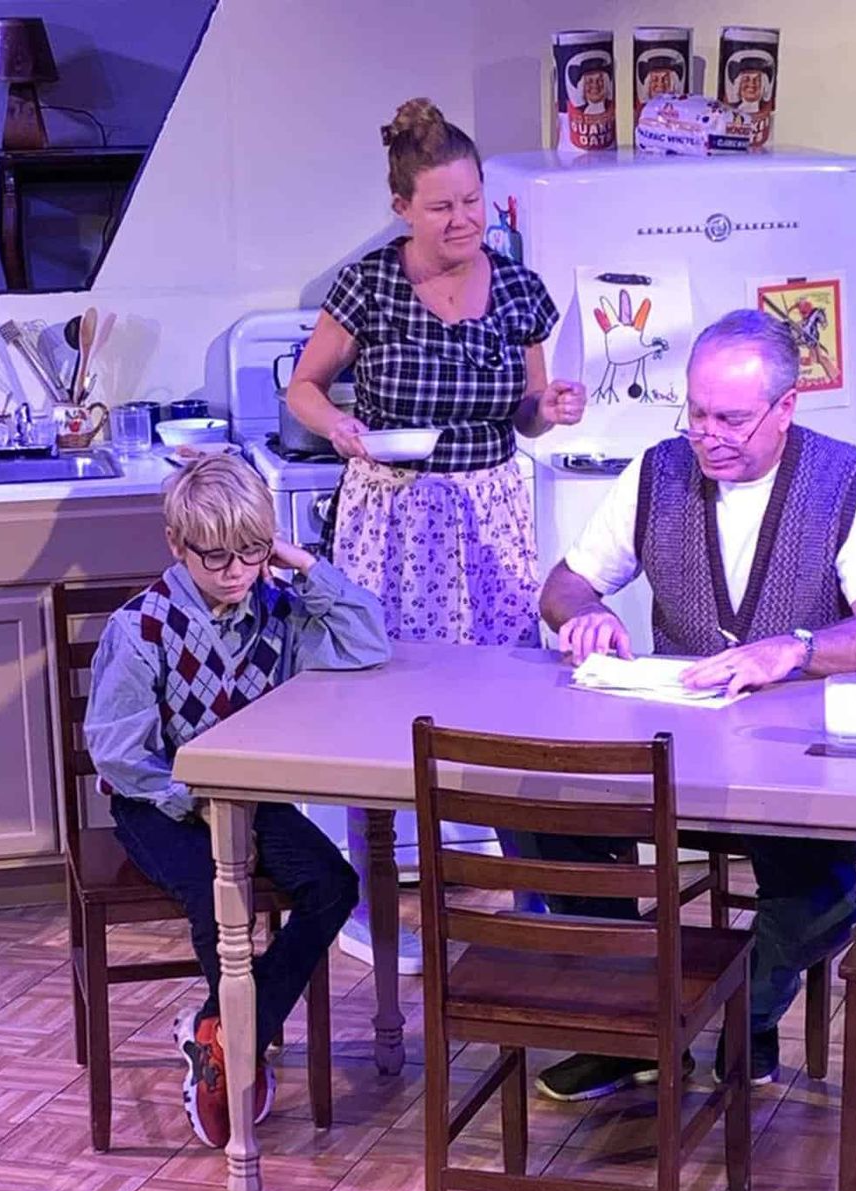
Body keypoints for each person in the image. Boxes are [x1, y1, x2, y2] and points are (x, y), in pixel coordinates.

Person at [532, 308, 856, 1102]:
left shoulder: (850, 481)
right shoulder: (657, 471)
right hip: (674, 756)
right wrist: (586, 617)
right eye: (698, 413)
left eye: (733, 418)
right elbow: (563, 588)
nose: (709, 435)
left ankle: (744, 1011)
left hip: (795, 763)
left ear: (786, 407)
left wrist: (797, 648)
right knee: (543, 815)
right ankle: (634, 1026)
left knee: (821, 895)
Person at [286, 96, 586, 970]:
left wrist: (551, 408)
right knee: (381, 693)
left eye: (472, 200)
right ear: (403, 211)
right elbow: (305, 387)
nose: (462, 220)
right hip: (392, 511)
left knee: (498, 692)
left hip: (489, 511)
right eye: (441, 206)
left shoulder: (521, 289)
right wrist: (337, 427)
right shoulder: (370, 284)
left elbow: (527, 417)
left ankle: (511, 884)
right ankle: (368, 892)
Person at [85, 455, 390, 1148]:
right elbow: (120, 755)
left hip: (248, 795)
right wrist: (196, 801)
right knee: (213, 890)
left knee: (333, 883)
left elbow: (367, 640)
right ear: (176, 543)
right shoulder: (143, 629)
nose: (235, 571)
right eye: (217, 556)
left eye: (251, 552)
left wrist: (300, 563)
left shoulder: (278, 609)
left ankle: (226, 1034)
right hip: (158, 801)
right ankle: (237, 1044)